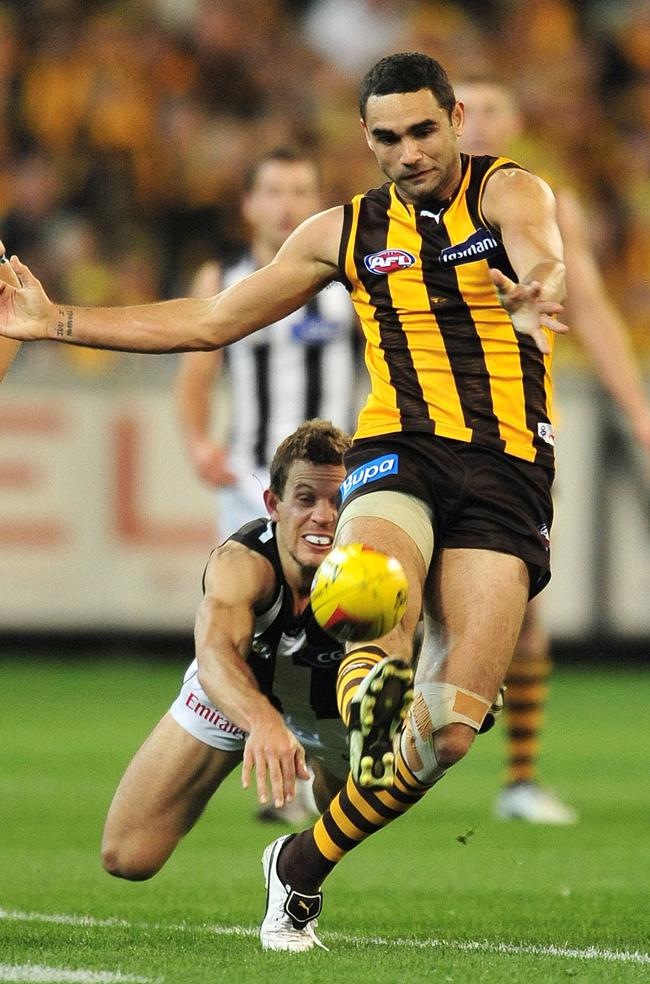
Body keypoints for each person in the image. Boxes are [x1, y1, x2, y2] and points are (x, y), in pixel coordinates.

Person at [0, 52, 569, 950]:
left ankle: (299, 866)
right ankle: (364, 685)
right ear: (366, 139)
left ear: (457, 119)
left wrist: (540, 290)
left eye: (425, 129)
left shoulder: (510, 193)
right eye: (389, 136)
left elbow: (542, 248)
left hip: (508, 473)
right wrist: (57, 321)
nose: (411, 151)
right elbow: (213, 320)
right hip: (398, 450)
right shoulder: (340, 231)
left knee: (454, 730)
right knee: (372, 586)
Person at [457, 75, 650, 824]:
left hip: (519, 433)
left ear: (517, 122)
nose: (481, 124)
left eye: (498, 107)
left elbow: (592, 309)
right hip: (417, 423)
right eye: (469, 110)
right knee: (389, 595)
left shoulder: (544, 207)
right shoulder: (406, 206)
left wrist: (634, 406)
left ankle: (520, 781)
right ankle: (352, 750)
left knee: (522, 608)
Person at [175, 147, 358, 824]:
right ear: (249, 205)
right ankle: (261, 748)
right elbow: (196, 366)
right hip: (256, 479)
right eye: (274, 191)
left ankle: (312, 757)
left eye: (300, 190)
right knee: (242, 622)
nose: (286, 204)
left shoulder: (347, 278)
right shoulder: (224, 277)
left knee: (333, 622)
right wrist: (198, 440)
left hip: (335, 489)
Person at [101, 419, 351, 899]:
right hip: (240, 694)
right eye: (306, 499)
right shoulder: (243, 563)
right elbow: (213, 654)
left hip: (328, 705)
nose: (323, 516)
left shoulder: (373, 565)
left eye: (337, 501)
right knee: (127, 855)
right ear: (273, 506)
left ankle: (306, 821)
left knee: (344, 804)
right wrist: (262, 720)